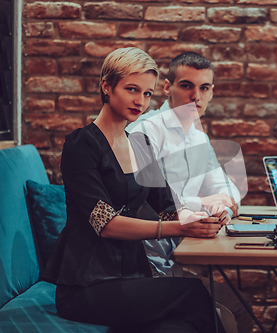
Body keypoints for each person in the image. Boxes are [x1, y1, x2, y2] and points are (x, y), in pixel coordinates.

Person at [42, 47, 226, 333]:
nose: (140, 101)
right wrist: (181, 228)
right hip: (88, 285)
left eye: (148, 94)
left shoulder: (140, 144)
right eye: (132, 89)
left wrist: (202, 217)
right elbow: (106, 224)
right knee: (194, 292)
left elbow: (165, 207)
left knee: (180, 327)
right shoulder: (81, 145)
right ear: (107, 86)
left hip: (134, 276)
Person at [126, 52, 252, 333]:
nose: (196, 96)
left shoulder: (198, 137)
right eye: (186, 85)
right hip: (146, 262)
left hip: (180, 255)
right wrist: (207, 203)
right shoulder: (143, 132)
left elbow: (221, 186)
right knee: (230, 315)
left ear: (211, 93)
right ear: (167, 87)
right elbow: (149, 202)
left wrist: (226, 203)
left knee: (239, 310)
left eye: (204, 88)